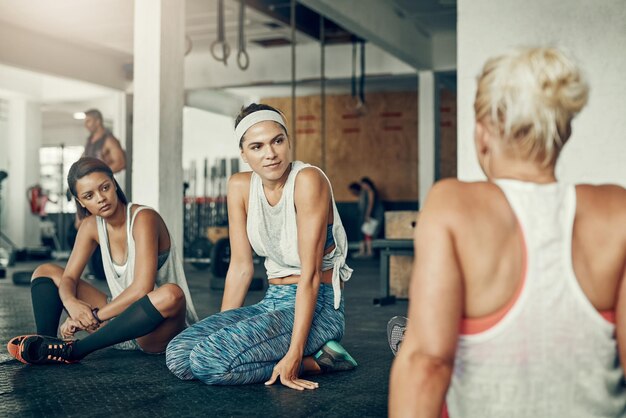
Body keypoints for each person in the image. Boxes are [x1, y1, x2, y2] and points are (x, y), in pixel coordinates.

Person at [389, 47, 626, 417]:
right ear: (562, 134)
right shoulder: (617, 210)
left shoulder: (452, 204)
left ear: (482, 134)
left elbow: (428, 362)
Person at [166, 103, 357, 389]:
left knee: (209, 362)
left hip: (319, 306)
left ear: (288, 142)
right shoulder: (240, 187)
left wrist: (294, 355)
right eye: (257, 146)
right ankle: (308, 353)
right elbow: (241, 267)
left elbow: (311, 275)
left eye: (277, 141)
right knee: (179, 356)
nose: (270, 154)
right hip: (273, 301)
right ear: (243, 154)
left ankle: (317, 360)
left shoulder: (307, 180)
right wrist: (224, 327)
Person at [7, 157, 198, 364]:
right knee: (46, 270)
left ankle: (75, 351)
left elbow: (141, 289)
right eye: (89, 195)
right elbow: (69, 277)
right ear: (81, 202)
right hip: (116, 322)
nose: (100, 198)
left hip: (154, 328)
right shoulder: (90, 226)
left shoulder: (144, 218)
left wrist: (95, 317)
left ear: (114, 185)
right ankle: (46, 345)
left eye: (104, 187)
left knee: (171, 294)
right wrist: (72, 304)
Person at [82, 109, 126, 174]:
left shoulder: (110, 140)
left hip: (102, 181)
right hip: (90, 182)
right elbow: (83, 159)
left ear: (98, 121)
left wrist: (99, 174)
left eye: (88, 121)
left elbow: (121, 163)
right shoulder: (90, 140)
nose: (85, 125)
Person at [350, 177, 384, 258]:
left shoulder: (371, 192)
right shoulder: (364, 192)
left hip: (372, 216)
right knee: (365, 233)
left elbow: (370, 205)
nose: (362, 186)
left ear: (367, 184)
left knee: (368, 233)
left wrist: (367, 215)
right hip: (368, 215)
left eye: (363, 184)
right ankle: (365, 251)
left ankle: (369, 251)